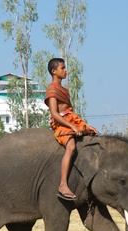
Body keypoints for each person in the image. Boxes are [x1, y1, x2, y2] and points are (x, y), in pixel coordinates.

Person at [44, 58, 98, 201]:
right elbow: (55, 113)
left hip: (70, 121)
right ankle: (63, 184)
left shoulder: (64, 90)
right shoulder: (52, 89)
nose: (65, 70)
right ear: (54, 71)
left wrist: (85, 125)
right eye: (63, 68)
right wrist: (72, 127)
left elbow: (70, 113)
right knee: (71, 146)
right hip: (61, 124)